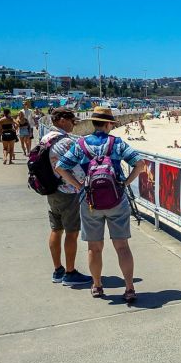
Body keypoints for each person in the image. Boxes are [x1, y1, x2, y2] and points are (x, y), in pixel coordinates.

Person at [55, 107, 144, 302]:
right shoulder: (117, 143)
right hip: (116, 199)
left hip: (90, 201)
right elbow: (140, 163)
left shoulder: (81, 144)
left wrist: (79, 186)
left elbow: (60, 167)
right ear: (107, 124)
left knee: (94, 247)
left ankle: (97, 286)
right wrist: (125, 183)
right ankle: (129, 288)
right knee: (122, 247)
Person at [42, 108, 92, 286]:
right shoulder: (65, 142)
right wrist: (83, 185)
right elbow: (76, 169)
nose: (74, 124)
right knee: (72, 232)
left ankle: (58, 270)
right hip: (67, 191)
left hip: (51, 189)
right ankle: (70, 273)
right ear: (62, 120)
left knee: (56, 229)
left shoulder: (46, 138)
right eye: (73, 120)